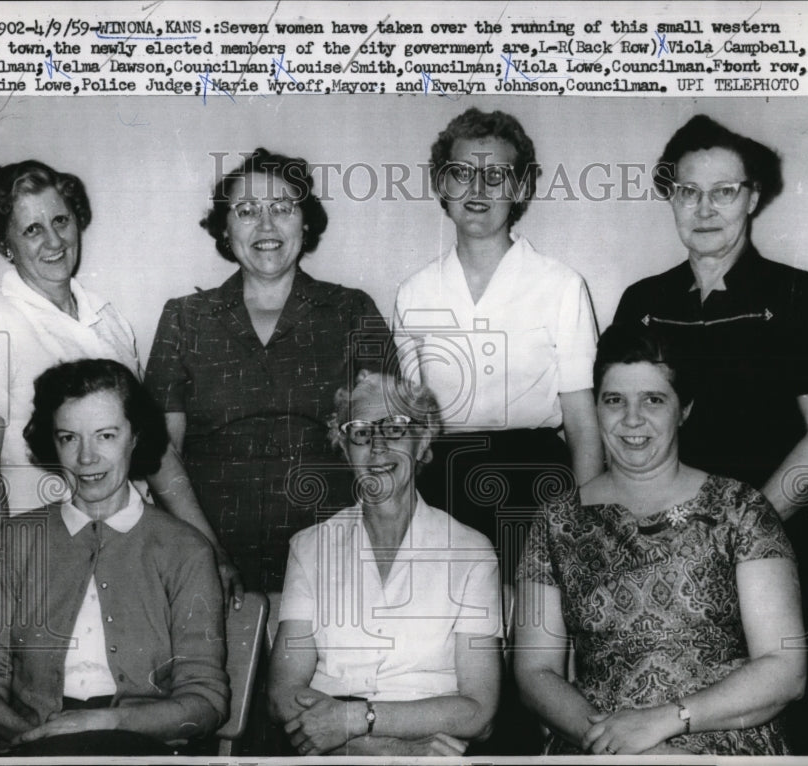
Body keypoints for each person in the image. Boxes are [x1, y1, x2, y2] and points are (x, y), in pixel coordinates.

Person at [612, 114, 808, 753]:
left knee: (789, 731)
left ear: (752, 197)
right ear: (670, 197)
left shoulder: (799, 296)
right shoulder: (642, 303)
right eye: (688, 191)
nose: (705, 208)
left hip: (776, 543)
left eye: (724, 191)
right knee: (663, 722)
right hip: (662, 552)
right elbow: (621, 427)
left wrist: (737, 537)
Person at [514, 325, 805, 756]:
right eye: (614, 400)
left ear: (684, 409)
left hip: (720, 741)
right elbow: (534, 673)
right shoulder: (555, 521)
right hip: (597, 744)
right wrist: (621, 747)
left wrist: (664, 722)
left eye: (653, 399)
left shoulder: (740, 508)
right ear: (596, 408)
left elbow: (785, 671)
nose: (632, 419)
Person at [0, 160, 240, 602]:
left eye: (61, 221)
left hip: (131, 551)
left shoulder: (109, 321)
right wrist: (7, 571)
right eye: (32, 230)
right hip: (46, 559)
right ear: (4, 242)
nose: (55, 241)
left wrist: (211, 550)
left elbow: (155, 452)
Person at [145, 148, 394, 595]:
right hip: (204, 550)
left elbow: (388, 442)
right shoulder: (186, 318)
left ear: (305, 222)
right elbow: (161, 452)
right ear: (225, 228)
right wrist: (207, 553)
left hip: (333, 551)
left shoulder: (352, 311)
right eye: (246, 211)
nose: (266, 226)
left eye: (282, 208)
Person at [0, 359, 228, 757]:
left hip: (145, 749)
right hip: (35, 748)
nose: (86, 457)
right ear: (51, 442)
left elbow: (205, 704)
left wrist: (105, 724)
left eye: (106, 435)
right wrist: (35, 739)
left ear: (135, 436)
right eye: (69, 437)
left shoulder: (185, 550)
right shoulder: (14, 541)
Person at [393, 108, 601, 582]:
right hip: (444, 483)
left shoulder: (561, 286)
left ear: (521, 188)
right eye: (462, 173)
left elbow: (582, 425)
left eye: (496, 176)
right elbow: (411, 427)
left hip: (539, 482)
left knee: (534, 618)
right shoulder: (414, 292)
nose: (478, 189)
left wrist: (585, 527)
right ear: (442, 185)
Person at [267, 371, 501, 757]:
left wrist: (357, 721)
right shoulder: (309, 548)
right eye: (360, 432)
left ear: (422, 442)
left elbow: (478, 711)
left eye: (394, 428)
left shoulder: (472, 553)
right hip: (352, 755)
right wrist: (390, 750)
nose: (377, 446)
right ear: (346, 449)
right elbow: (282, 695)